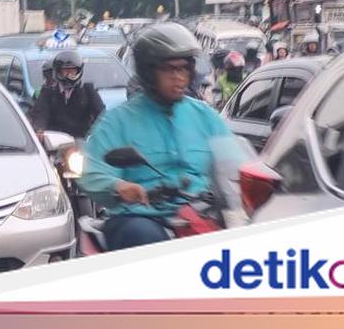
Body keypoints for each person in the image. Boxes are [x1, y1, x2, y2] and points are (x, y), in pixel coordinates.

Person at [81, 23, 232, 251]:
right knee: (144, 238)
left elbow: (234, 163)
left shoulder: (206, 117)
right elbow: (92, 172)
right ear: (149, 72)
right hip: (142, 216)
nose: (179, 77)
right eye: (170, 69)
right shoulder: (117, 121)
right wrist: (119, 186)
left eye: (183, 69)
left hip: (203, 211)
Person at [26, 50, 105, 138]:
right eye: (65, 71)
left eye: (72, 71)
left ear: (79, 71)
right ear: (58, 71)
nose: (68, 74)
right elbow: (41, 112)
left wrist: (96, 133)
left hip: (80, 138)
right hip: (54, 138)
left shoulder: (87, 90)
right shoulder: (48, 91)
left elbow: (101, 113)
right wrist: (39, 130)